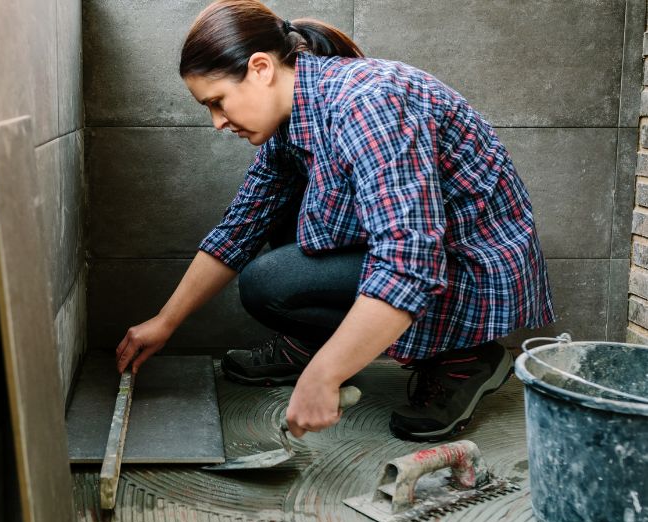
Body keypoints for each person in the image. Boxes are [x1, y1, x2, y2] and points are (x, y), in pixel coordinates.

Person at [115, 0, 555, 443]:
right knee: (272, 242)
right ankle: (314, 345)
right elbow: (241, 227)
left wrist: (325, 376)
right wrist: (166, 321)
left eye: (217, 102)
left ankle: (464, 357)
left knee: (269, 280)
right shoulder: (291, 119)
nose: (217, 122)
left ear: (261, 68)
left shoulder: (368, 102)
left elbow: (410, 260)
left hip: (466, 274)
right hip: (418, 256)